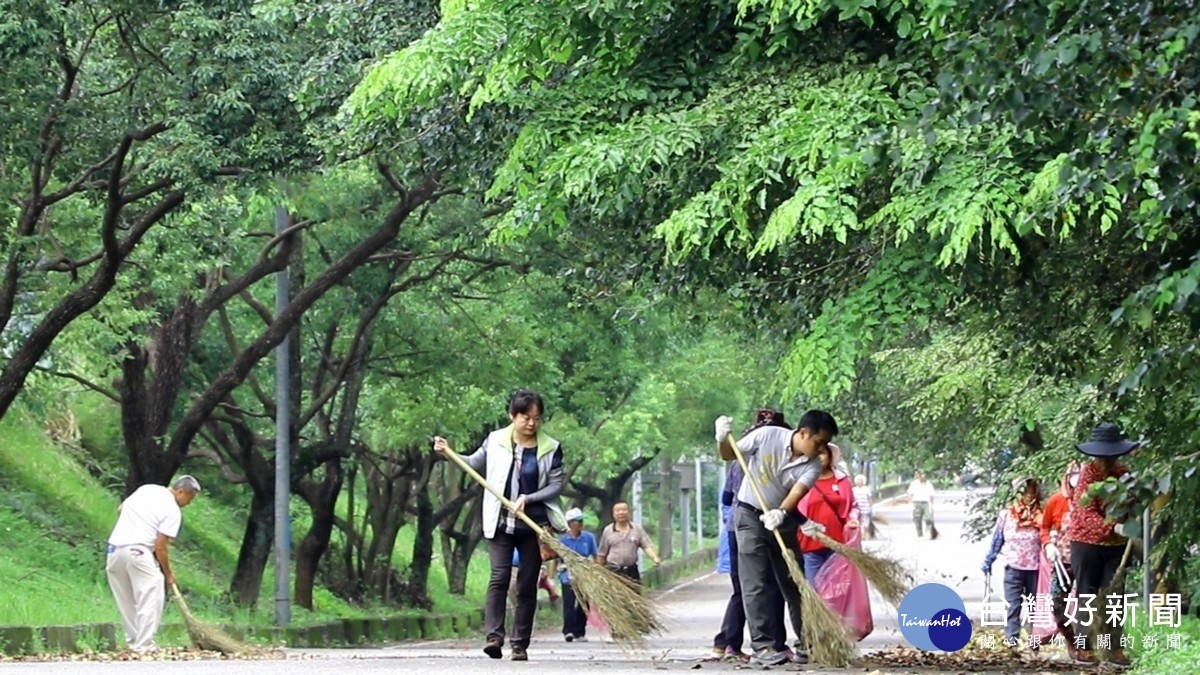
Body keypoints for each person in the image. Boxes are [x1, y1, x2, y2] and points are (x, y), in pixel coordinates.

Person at [432, 389, 566, 662]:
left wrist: (528, 498)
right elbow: (472, 463)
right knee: (500, 577)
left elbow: (555, 485)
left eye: (536, 418)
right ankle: (494, 637)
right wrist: (449, 453)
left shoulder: (551, 448)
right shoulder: (495, 441)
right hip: (500, 521)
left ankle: (519, 644)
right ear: (512, 416)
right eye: (525, 417)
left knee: (527, 584)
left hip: (533, 526)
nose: (531, 423)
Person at [715, 408, 839, 667]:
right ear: (804, 433)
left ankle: (808, 642)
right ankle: (764, 646)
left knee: (794, 582)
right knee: (755, 583)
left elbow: (798, 491)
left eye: (825, 444)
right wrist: (722, 439)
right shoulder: (767, 435)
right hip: (749, 515)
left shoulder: (813, 463)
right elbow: (730, 455)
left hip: (781, 521)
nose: (821, 449)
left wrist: (781, 513)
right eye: (819, 442)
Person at [711, 409, 790, 662]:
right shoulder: (746, 459)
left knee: (749, 587)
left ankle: (728, 641)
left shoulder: (750, 457)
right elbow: (730, 497)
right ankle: (764, 643)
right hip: (747, 525)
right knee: (758, 586)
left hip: (747, 524)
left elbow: (726, 498)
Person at [1068, 423, 1138, 667]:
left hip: (1116, 545)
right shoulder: (1087, 475)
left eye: (1112, 456)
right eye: (1103, 456)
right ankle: (1084, 647)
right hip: (1086, 543)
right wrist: (1112, 526)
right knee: (1087, 594)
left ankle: (1114, 647)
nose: (1107, 462)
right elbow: (1085, 513)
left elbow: (1133, 502)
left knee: (1115, 596)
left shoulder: (1124, 474)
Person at [105, 475, 201, 653]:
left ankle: (134, 642)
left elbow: (121, 509)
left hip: (115, 551)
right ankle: (144, 645)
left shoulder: (147, 489)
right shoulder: (173, 511)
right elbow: (160, 546)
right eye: (190, 498)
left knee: (126, 600)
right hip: (139, 551)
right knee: (152, 593)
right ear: (181, 492)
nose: (189, 503)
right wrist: (168, 574)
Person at [981, 476, 1044, 648]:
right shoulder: (1006, 515)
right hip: (1013, 568)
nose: (1028, 496)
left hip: (1036, 569)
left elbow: (1047, 539)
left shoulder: (1041, 514)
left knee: (1035, 607)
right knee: (1013, 606)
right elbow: (997, 539)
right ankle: (1012, 641)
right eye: (1024, 492)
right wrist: (989, 560)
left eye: (1032, 492)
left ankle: (1034, 641)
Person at [797, 443, 859, 584]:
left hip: (837, 544)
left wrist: (853, 518)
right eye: (815, 453)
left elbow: (852, 507)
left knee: (836, 591)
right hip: (810, 543)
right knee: (816, 589)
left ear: (830, 456)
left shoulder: (842, 481)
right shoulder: (801, 481)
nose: (819, 457)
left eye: (822, 453)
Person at [1041, 462, 1081, 659]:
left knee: (1087, 603)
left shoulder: (1090, 500)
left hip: (1086, 561)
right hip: (1061, 562)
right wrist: (1048, 545)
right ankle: (1070, 639)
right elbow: (1044, 528)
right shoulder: (1056, 501)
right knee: (1057, 602)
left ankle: (1086, 645)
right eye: (1074, 475)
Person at [556, 507, 598, 642]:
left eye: (581, 521)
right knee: (568, 603)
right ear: (571, 523)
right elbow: (556, 559)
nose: (580, 524)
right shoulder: (563, 540)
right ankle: (568, 630)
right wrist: (553, 575)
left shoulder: (588, 538)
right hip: (567, 575)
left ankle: (580, 631)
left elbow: (595, 555)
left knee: (583, 603)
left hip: (584, 575)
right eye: (578, 521)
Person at [597, 501, 660, 583]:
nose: (621, 512)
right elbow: (602, 553)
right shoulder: (608, 531)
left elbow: (646, 545)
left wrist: (654, 558)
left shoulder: (637, 529)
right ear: (613, 514)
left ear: (628, 512)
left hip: (631, 571)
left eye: (624, 510)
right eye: (618, 510)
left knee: (635, 593)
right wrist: (599, 571)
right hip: (613, 571)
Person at [906, 471, 936, 538]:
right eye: (921, 475)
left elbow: (932, 495)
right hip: (917, 503)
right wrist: (910, 503)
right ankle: (920, 534)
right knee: (917, 519)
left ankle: (929, 531)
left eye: (924, 475)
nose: (923, 476)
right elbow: (910, 494)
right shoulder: (914, 483)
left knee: (929, 518)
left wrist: (932, 504)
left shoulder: (928, 483)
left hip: (926, 503)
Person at [852, 474, 874, 538]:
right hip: (857, 509)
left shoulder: (866, 489)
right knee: (858, 522)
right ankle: (860, 535)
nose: (860, 481)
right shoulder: (853, 490)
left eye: (861, 480)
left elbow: (870, 499)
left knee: (865, 523)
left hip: (865, 509)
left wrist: (871, 508)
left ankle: (864, 534)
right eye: (858, 480)